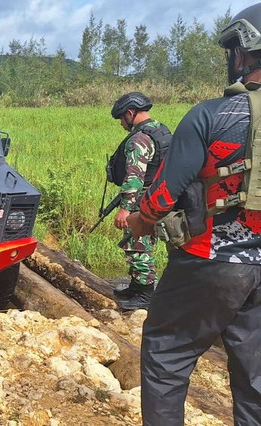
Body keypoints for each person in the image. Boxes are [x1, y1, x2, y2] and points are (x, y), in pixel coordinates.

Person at [127, 3, 261, 424]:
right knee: (255, 378)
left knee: (166, 356)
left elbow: (165, 192)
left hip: (209, 262)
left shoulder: (213, 115)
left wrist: (138, 221)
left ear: (243, 51)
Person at [107, 92, 171, 310]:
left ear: (130, 113)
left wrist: (125, 209)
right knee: (139, 243)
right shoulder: (161, 130)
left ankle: (145, 294)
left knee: (138, 245)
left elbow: (134, 177)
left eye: (121, 120)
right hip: (157, 195)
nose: (122, 125)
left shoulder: (139, 139)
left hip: (142, 200)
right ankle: (136, 286)